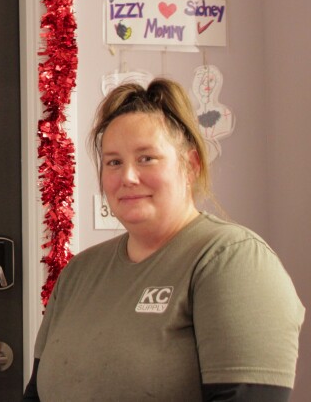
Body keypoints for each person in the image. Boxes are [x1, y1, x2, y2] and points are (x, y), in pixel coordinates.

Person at [23, 78, 304, 401]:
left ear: (191, 165)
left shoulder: (232, 261)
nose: (127, 177)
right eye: (114, 162)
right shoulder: (79, 273)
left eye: (146, 158)